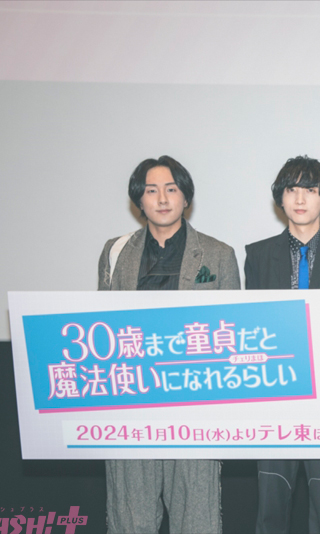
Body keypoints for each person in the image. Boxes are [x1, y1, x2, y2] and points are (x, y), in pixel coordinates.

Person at [98, 155, 240, 534]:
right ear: (139, 199)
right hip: (131, 406)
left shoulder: (218, 255)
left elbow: (230, 337)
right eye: (151, 190)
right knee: (129, 520)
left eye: (171, 189)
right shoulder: (116, 252)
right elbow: (102, 332)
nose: (162, 199)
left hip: (195, 407)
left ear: (185, 197)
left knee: (197, 520)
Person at [245, 155, 320, 534]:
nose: (300, 199)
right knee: (270, 505)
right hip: (274, 394)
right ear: (280, 198)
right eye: (292, 190)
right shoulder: (257, 254)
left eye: (310, 190)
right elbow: (250, 326)